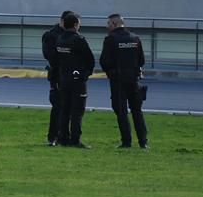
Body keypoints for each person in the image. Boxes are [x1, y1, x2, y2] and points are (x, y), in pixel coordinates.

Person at [100, 13, 149, 150]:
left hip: (118, 80)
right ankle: (143, 141)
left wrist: (110, 72)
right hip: (133, 80)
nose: (107, 26)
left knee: (121, 111)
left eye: (109, 23)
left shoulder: (110, 39)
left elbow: (104, 61)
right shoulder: (135, 38)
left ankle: (126, 141)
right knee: (137, 111)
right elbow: (142, 60)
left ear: (115, 24)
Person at [53, 12, 95, 148]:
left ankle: (63, 138)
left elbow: (56, 59)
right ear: (76, 25)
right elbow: (90, 60)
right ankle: (75, 139)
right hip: (77, 80)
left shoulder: (59, 39)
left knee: (64, 110)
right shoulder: (79, 40)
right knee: (77, 111)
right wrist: (85, 74)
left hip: (64, 78)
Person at [42, 11, 71, 146]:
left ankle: (64, 136)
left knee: (70, 107)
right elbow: (49, 55)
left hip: (70, 75)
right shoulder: (51, 35)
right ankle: (53, 136)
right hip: (58, 75)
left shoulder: (74, 36)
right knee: (58, 106)